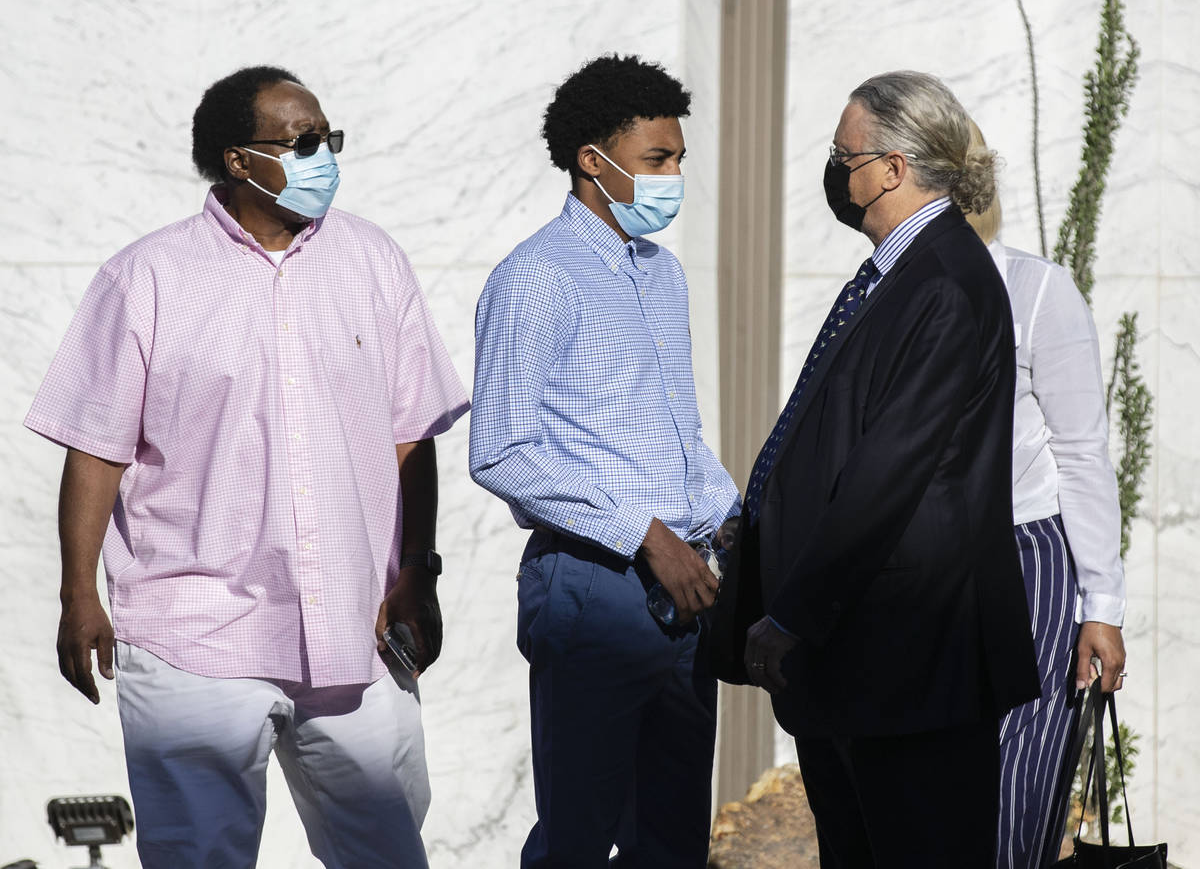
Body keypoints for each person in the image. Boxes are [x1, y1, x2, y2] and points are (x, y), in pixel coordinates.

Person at [25, 65, 469, 868]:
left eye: (330, 139)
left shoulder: (373, 259)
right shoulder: (147, 277)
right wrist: (77, 591)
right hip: (193, 635)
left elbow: (412, 434)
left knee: (389, 854)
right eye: (303, 142)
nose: (324, 155)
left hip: (355, 630)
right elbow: (95, 444)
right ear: (238, 159)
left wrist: (420, 570)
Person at [732, 71, 1041, 868]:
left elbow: (887, 475)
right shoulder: (901, 273)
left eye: (845, 154)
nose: (837, 171)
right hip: (861, 662)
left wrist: (795, 611)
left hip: (911, 664)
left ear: (894, 167)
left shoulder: (941, 282)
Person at [469, 54, 740, 868]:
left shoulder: (663, 276)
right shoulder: (535, 277)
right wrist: (647, 534)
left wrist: (729, 517)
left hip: (686, 588)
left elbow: (677, 431)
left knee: (674, 839)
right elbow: (502, 450)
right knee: (578, 839)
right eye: (658, 159)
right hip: (593, 584)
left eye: (680, 158)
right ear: (594, 160)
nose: (675, 175)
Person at [964, 120, 1127, 869]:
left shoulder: (1033, 290)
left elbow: (1083, 451)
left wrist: (1101, 605)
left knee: (1015, 787)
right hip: (922, 569)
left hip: (1026, 556)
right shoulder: (884, 289)